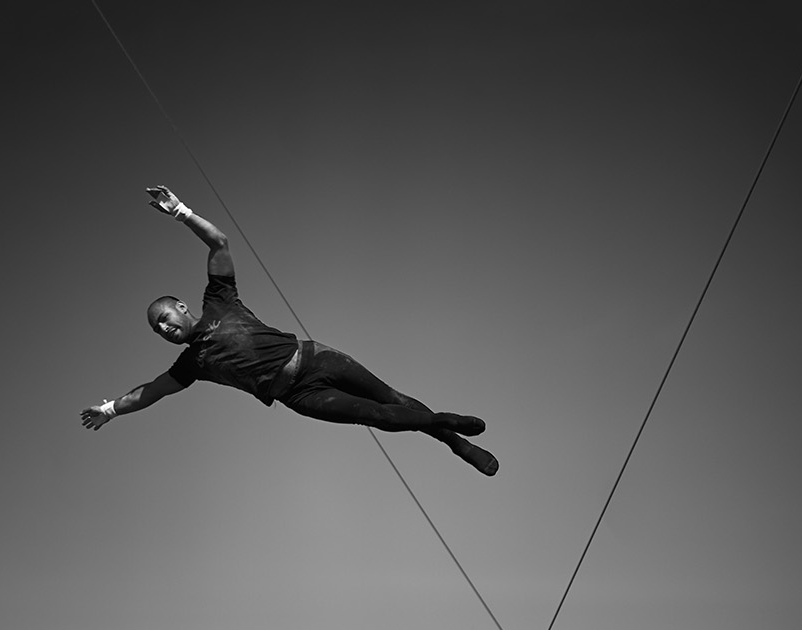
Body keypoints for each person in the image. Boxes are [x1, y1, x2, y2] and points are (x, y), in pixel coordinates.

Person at [80, 187, 498, 475]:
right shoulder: (191, 364)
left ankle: (456, 442)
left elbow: (220, 244)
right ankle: (441, 420)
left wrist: (181, 212)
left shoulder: (219, 300)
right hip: (300, 395)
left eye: (166, 318)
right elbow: (150, 392)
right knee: (379, 416)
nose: (165, 328)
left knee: (392, 398)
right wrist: (111, 409)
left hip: (317, 359)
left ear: (182, 308)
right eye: (158, 330)